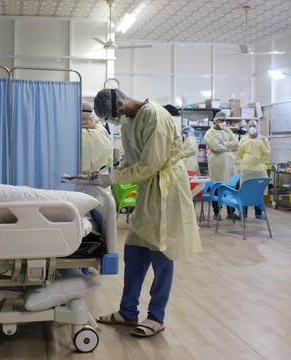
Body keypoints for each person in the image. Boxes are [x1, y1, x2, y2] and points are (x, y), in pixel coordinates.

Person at [89, 88, 202, 338]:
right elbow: (132, 161)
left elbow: (152, 163)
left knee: (161, 253)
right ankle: (128, 312)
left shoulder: (155, 116)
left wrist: (113, 178)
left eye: (112, 116)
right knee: (135, 251)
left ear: (122, 102)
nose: (114, 121)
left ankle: (156, 317)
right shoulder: (128, 123)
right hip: (147, 190)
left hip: (166, 189)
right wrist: (108, 172)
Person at [204, 113, 240, 220]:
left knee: (230, 187)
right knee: (217, 188)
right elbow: (215, 147)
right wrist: (229, 146)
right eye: (221, 120)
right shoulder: (209, 134)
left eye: (224, 120)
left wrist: (223, 144)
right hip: (217, 166)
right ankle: (216, 212)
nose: (223, 122)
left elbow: (236, 143)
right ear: (215, 121)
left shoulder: (227, 131)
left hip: (230, 166)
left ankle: (231, 212)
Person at [238, 126, 270, 219]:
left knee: (246, 189)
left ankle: (245, 212)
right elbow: (267, 153)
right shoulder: (263, 140)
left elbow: (240, 153)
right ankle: (257, 213)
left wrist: (247, 159)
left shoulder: (244, 140)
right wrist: (261, 162)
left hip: (247, 168)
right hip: (257, 168)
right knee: (258, 190)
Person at [81, 101, 113, 176]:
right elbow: (109, 158)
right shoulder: (101, 130)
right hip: (100, 175)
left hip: (86, 177)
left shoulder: (76, 133)